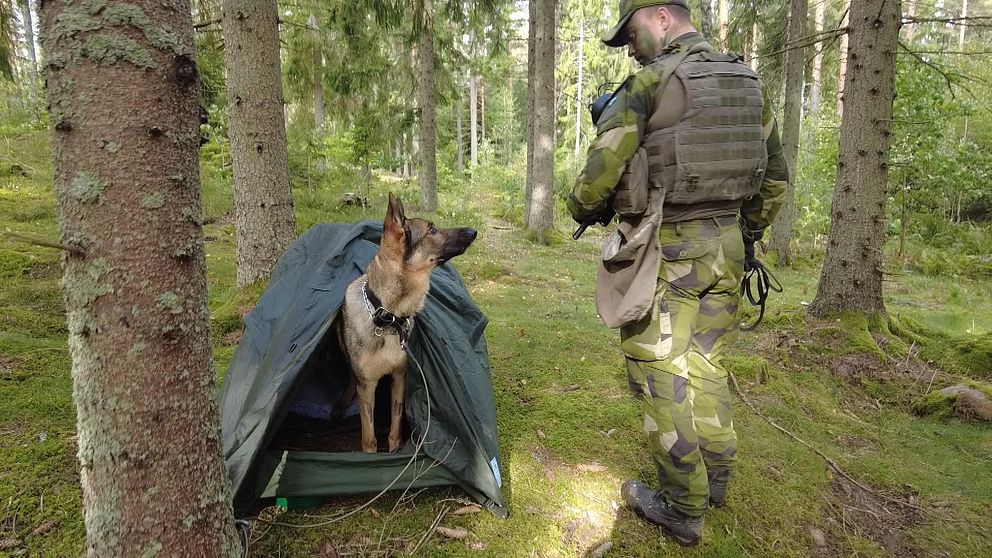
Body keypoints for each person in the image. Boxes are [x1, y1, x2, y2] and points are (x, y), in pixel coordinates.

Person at [567, 0, 789, 547]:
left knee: (657, 370)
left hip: (670, 250)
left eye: (632, 34)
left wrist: (581, 208)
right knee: (706, 363)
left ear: (661, 17)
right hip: (729, 247)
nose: (630, 47)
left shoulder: (651, 82)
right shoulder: (748, 82)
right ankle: (715, 477)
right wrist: (747, 235)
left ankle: (682, 505)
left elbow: (595, 182)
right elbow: (776, 180)